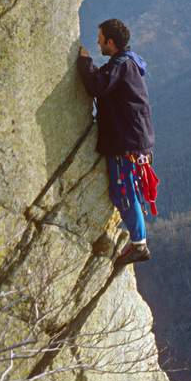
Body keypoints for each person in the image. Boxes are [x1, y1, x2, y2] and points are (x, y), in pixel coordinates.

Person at [77, 18, 158, 268]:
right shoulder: (127, 62)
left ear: (111, 42)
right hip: (134, 139)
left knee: (124, 191)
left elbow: (97, 86)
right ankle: (138, 240)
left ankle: (138, 244)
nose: (98, 41)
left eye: (101, 37)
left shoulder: (121, 65)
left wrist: (84, 61)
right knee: (128, 189)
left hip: (127, 143)